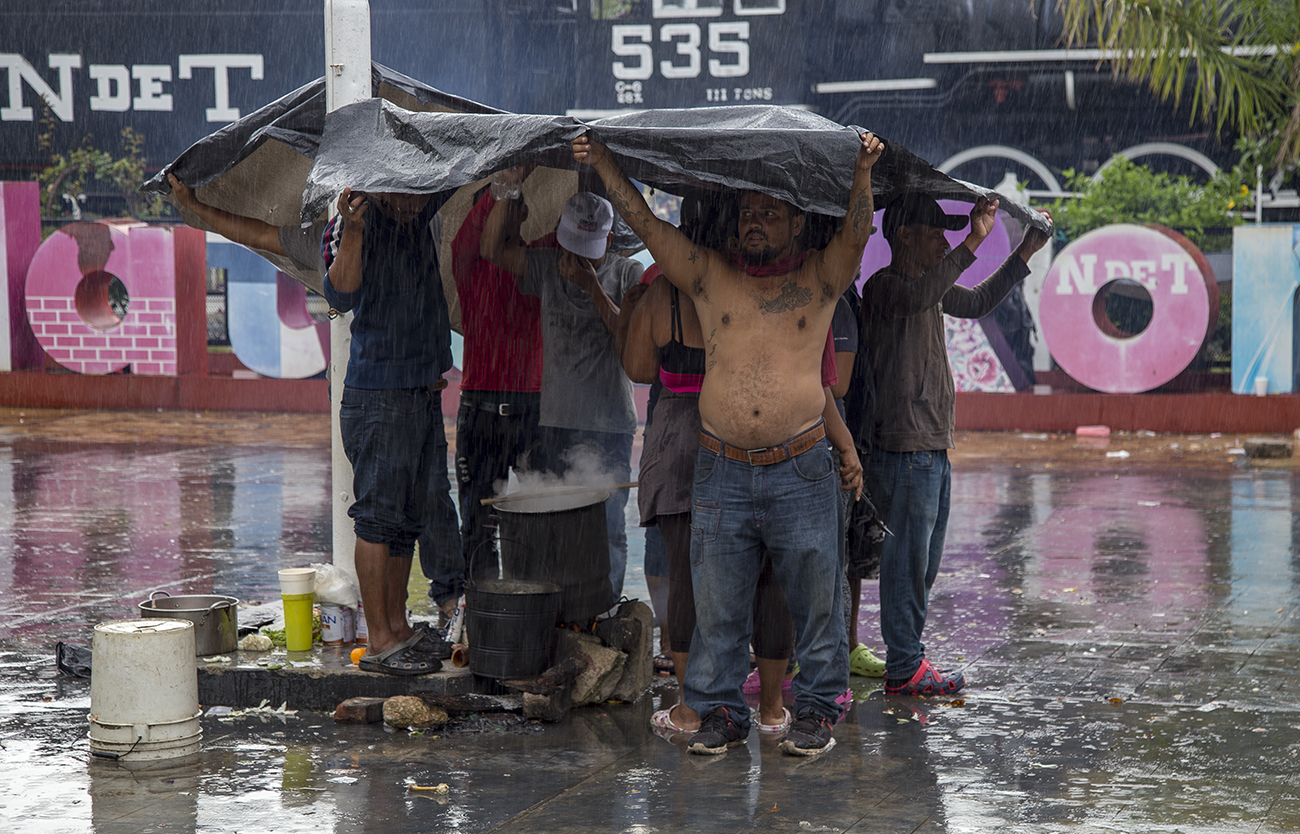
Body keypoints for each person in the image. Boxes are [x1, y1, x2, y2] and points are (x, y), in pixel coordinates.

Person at [575, 129, 884, 757]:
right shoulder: (709, 275)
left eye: (770, 213)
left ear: (798, 223)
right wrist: (605, 165)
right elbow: (647, 225)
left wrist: (861, 172)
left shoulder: (820, 279)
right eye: (747, 213)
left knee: (815, 600)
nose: (754, 223)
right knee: (716, 601)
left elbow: (856, 233)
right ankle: (718, 712)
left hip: (799, 468)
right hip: (721, 468)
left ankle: (818, 711)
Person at [860, 193, 1051, 696]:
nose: (944, 240)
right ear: (904, 235)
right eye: (935, 231)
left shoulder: (929, 288)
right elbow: (925, 296)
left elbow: (977, 301)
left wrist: (1023, 254)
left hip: (931, 446)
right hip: (902, 448)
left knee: (922, 564)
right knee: (906, 565)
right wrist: (972, 242)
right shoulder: (885, 287)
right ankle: (904, 664)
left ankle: (909, 658)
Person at [322, 187, 460, 675]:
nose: (412, 205)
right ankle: (379, 639)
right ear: (378, 188)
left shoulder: (422, 210)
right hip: (380, 394)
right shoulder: (353, 220)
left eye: (418, 196)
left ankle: (399, 627)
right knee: (378, 519)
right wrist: (355, 229)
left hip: (421, 392)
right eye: (402, 197)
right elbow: (339, 293)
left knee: (407, 519)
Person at [481, 187, 642, 605]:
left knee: (608, 527)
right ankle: (562, 612)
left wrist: (592, 287)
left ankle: (606, 612)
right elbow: (491, 248)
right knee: (554, 525)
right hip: (555, 422)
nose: (581, 258)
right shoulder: (548, 266)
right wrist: (510, 188)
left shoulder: (628, 275)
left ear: (609, 239)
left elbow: (631, 340)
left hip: (609, 426)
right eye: (574, 247)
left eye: (591, 249)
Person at [437, 179, 545, 613]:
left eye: (517, 204)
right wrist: (508, 183)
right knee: (478, 521)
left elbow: (589, 225)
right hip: (482, 407)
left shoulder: (538, 261)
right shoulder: (467, 259)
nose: (510, 209)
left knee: (540, 518)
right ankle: (484, 614)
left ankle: (533, 606)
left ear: (524, 216)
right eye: (501, 203)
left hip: (532, 407)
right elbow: (482, 237)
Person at [167, 173, 325, 280]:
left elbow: (260, 236)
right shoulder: (323, 244)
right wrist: (193, 205)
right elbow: (258, 235)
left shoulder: (323, 245)